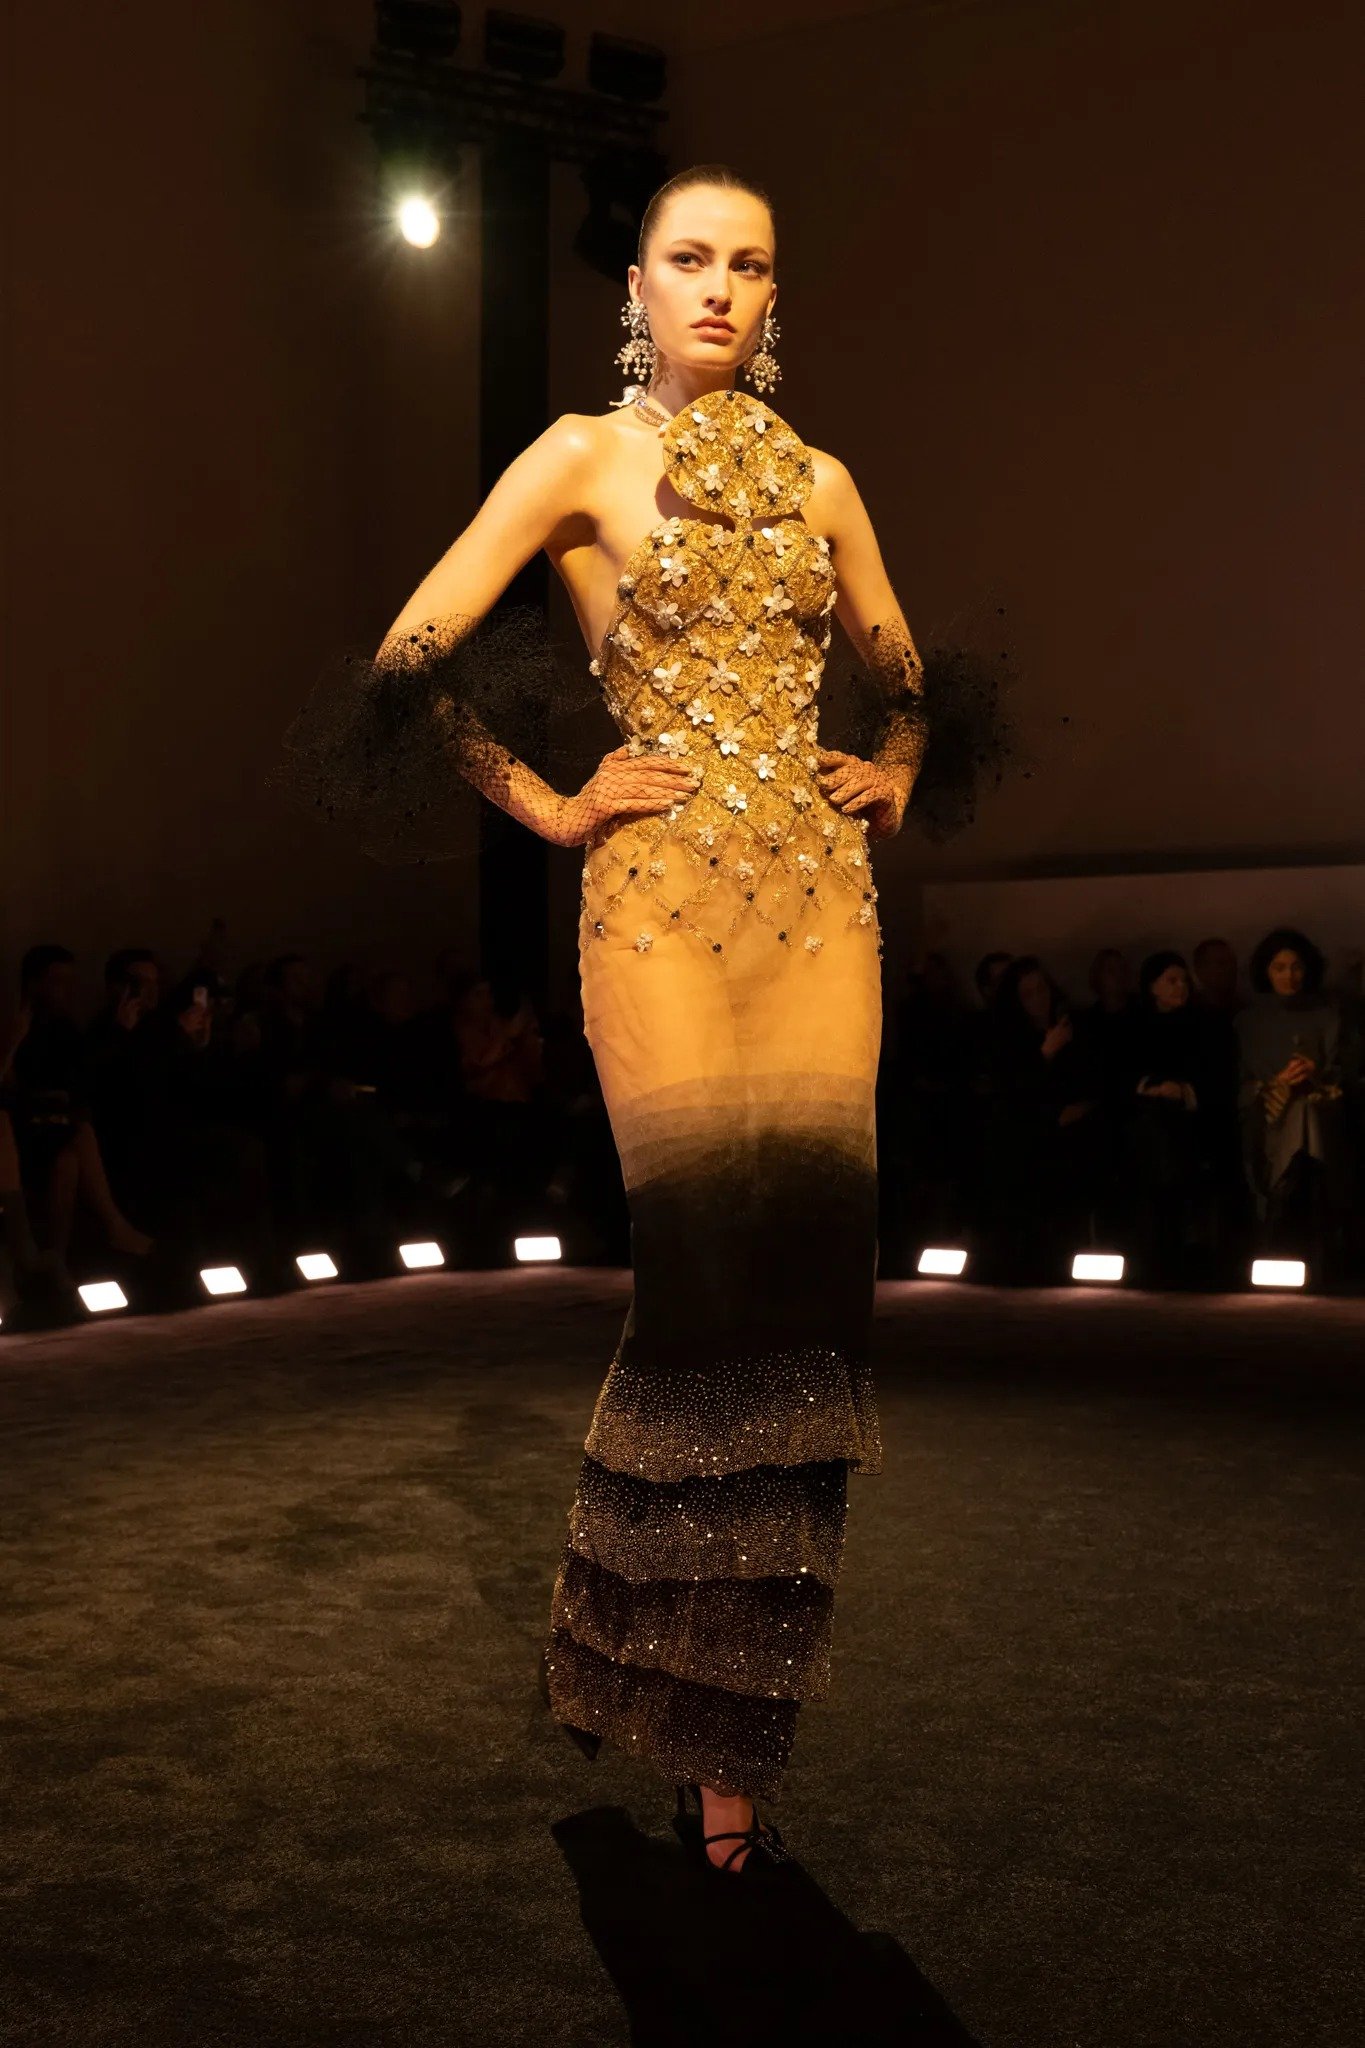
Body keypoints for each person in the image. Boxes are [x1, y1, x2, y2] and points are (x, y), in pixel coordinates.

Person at [303, 166, 928, 1876]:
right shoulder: (580, 458)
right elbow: (406, 660)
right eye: (690, 259)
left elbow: (908, 682)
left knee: (812, 1314)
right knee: (705, 1298)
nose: (720, 288)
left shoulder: (823, 480)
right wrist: (551, 803)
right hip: (656, 914)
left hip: (820, 914)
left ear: (774, 296)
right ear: (636, 289)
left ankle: (731, 1744)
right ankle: (650, 1673)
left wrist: (892, 769)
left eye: (751, 265)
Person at [1235, 926, 1350, 1271]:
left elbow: (1342, 1075)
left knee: (1306, 1114)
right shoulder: (1248, 1022)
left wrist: (1313, 1075)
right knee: (1296, 1118)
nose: (1290, 976)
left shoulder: (1328, 1017)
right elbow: (1241, 1085)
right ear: (1266, 971)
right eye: (1280, 967)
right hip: (1266, 1118)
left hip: (1320, 1115)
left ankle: (1293, 1207)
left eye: (1296, 967)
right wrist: (1277, 1084)